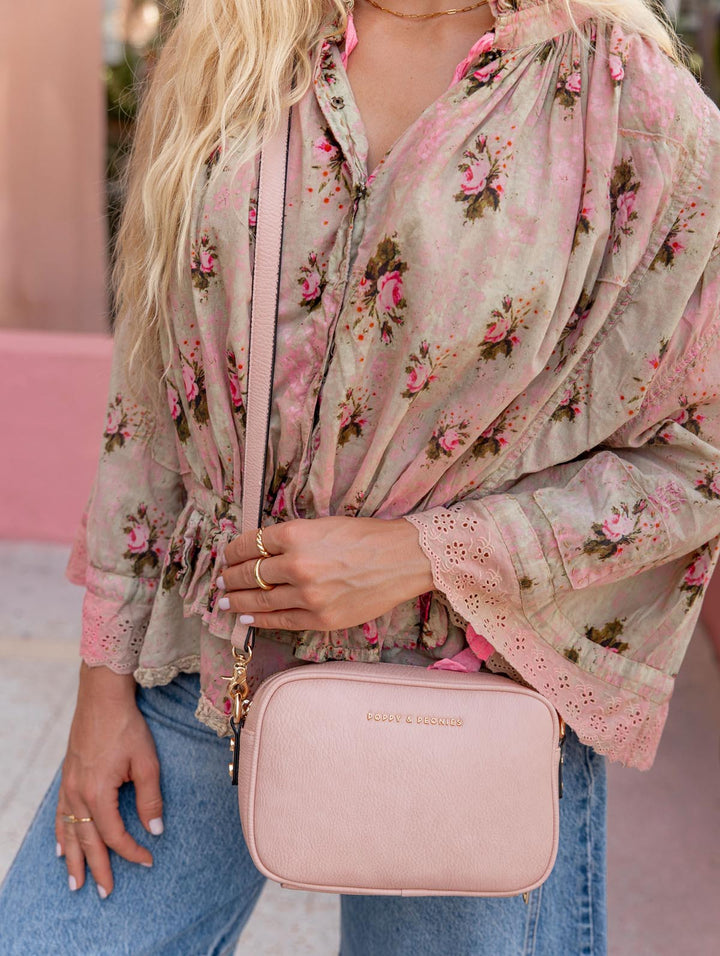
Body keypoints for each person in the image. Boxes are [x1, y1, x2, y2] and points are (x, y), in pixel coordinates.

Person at [2, 0, 720, 952]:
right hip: (207, 657)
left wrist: (422, 552)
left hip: (472, 696)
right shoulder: (236, 41)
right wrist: (103, 687)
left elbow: (697, 457)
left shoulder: (623, 99)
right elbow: (154, 385)